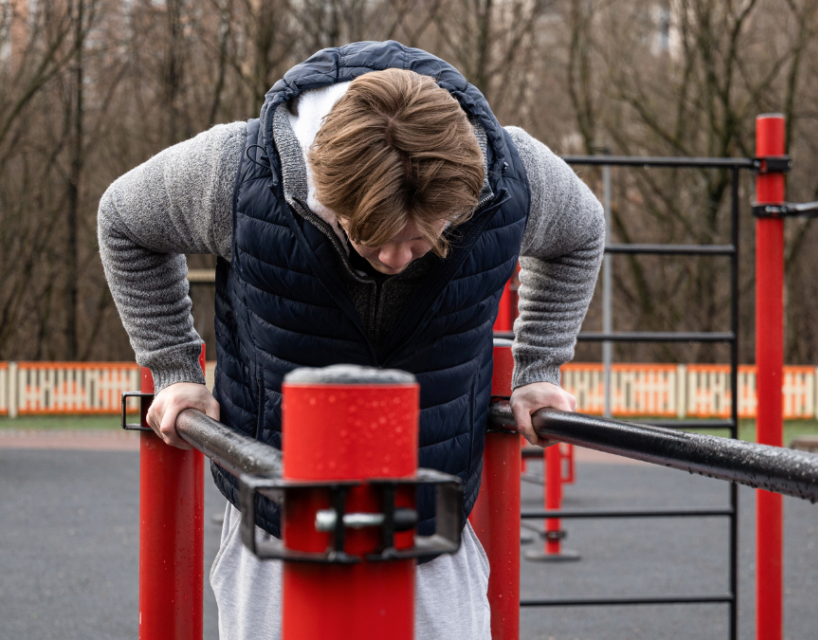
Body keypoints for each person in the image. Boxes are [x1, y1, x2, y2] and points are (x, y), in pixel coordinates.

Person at [98, 41, 603, 639]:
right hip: (278, 511)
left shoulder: (511, 177)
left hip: (430, 512)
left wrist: (539, 365)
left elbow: (580, 231)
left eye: (421, 243)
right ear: (325, 189)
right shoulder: (240, 171)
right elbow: (125, 220)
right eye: (371, 238)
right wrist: (175, 367)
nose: (394, 258)